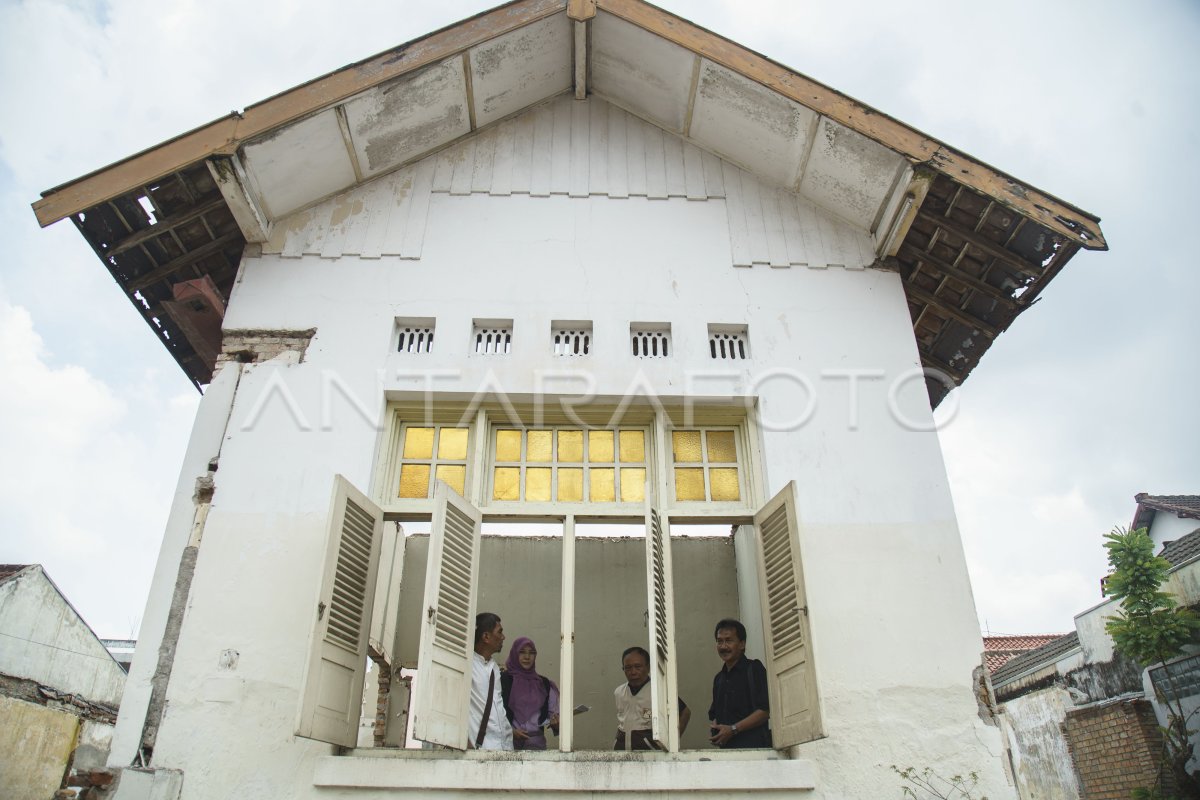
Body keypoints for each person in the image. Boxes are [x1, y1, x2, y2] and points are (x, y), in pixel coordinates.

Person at [612, 646, 691, 750]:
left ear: (648, 667)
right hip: (622, 750)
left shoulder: (658, 690)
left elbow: (685, 712)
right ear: (623, 669)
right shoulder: (619, 692)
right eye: (628, 667)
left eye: (638, 666)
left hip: (649, 751)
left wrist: (672, 741)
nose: (633, 671)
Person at [708, 618, 771, 748]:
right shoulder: (718, 679)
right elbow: (715, 714)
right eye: (719, 641)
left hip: (755, 751)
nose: (723, 646)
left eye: (729, 640)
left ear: (742, 644)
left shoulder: (754, 669)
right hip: (727, 752)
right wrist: (717, 729)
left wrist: (733, 729)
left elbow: (765, 711)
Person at [500, 636, 560, 750]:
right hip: (509, 745)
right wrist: (510, 732)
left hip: (536, 746)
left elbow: (553, 715)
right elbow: (494, 714)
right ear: (514, 654)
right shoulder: (503, 680)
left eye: (531, 653)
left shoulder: (544, 684)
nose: (527, 657)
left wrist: (557, 725)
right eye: (522, 652)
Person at [468, 611, 514, 750]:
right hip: (481, 749)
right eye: (499, 632)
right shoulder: (466, 665)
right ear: (486, 636)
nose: (503, 637)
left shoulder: (494, 667)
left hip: (505, 747)